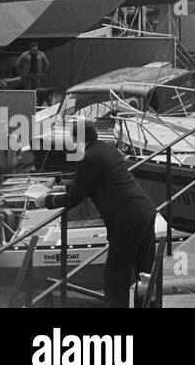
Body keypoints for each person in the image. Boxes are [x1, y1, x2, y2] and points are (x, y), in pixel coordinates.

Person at [44, 124, 156, 308]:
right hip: (144, 211)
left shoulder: (88, 159)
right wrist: (61, 189)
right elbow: (91, 183)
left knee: (115, 276)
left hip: (126, 221)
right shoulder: (107, 149)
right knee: (144, 273)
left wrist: (47, 201)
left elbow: (74, 199)